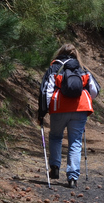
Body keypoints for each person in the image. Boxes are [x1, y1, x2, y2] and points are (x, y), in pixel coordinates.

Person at [38, 43, 100, 188]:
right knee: (75, 142)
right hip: (80, 109)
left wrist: (42, 111)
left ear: (59, 53)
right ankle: (72, 177)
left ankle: (55, 167)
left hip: (59, 107)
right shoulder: (82, 68)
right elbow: (95, 91)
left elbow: (46, 91)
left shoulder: (54, 67)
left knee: (55, 136)